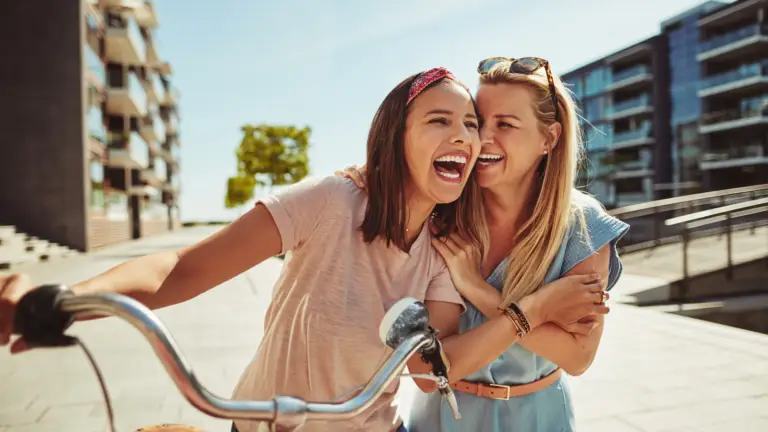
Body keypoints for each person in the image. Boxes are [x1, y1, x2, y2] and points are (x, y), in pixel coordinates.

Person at [1, 67, 609, 432]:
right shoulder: (329, 201)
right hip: (265, 422)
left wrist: (526, 304)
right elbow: (178, 270)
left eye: (470, 125)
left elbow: (434, 365)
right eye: (438, 121)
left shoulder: (447, 248)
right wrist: (67, 296)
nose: (464, 135)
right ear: (393, 139)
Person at [337, 57, 630, 431]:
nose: (481, 139)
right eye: (478, 121)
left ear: (549, 138)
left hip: (539, 419)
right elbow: (431, 365)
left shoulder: (585, 226)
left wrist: (478, 290)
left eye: (505, 124)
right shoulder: (442, 215)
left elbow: (577, 357)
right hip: (441, 417)